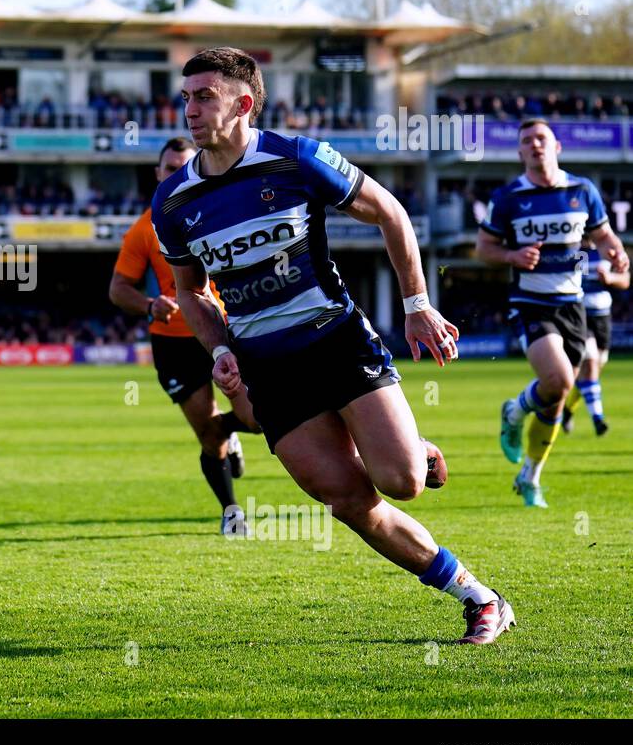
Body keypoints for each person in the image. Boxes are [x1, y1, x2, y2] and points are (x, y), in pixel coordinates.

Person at [152, 46, 513, 645]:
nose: (188, 108)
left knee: (401, 483)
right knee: (347, 498)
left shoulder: (296, 159)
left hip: (335, 341)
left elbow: (391, 214)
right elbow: (190, 292)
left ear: (243, 104)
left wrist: (418, 306)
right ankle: (478, 596)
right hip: (267, 368)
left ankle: (405, 445)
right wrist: (217, 349)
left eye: (203, 96)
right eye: (185, 96)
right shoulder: (173, 203)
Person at [110, 135, 259, 535]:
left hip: (222, 333)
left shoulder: (221, 213)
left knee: (258, 419)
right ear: (157, 175)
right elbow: (118, 288)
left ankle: (234, 432)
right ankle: (232, 512)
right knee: (209, 436)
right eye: (170, 169)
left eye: (184, 167)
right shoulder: (143, 230)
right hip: (172, 343)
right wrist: (149, 305)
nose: (177, 174)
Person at [476, 120, 629, 507]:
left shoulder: (582, 190)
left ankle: (530, 476)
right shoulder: (508, 197)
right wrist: (511, 255)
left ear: (557, 146)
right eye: (527, 141)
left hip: (572, 305)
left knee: (556, 401)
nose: (535, 145)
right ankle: (512, 412)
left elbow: (602, 234)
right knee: (559, 379)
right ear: (520, 153)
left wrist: (616, 250)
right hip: (530, 303)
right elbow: (483, 249)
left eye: (541, 139)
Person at [563, 244, 630, 436]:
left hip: (602, 315)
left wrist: (610, 278)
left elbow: (625, 279)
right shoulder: (569, 248)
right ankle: (598, 419)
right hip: (578, 314)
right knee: (590, 363)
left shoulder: (609, 247)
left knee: (594, 369)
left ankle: (568, 410)